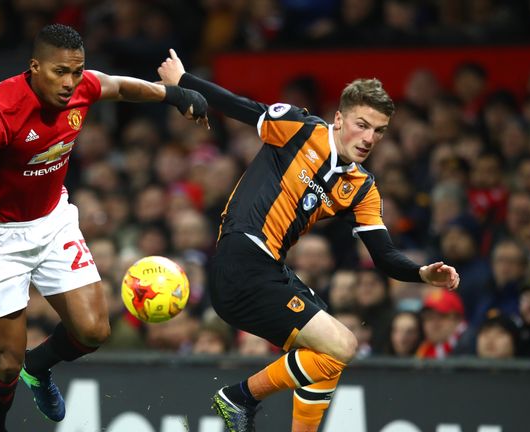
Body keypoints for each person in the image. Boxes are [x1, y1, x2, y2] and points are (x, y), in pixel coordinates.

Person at [158, 49, 460, 432]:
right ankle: (238, 397)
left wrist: (421, 273)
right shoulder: (299, 128)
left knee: (328, 355)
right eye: (361, 124)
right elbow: (238, 106)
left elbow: (383, 255)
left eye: (378, 131)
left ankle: (255, 407)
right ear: (338, 118)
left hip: (268, 270)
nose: (368, 138)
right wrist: (183, 83)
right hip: (240, 258)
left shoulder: (362, 188)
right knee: (343, 345)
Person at [0, 25, 208, 432]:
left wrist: (171, 94)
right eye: (59, 73)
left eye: (76, 71)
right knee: (5, 362)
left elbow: (119, 86)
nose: (70, 83)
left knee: (92, 331)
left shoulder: (82, 86)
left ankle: (40, 366)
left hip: (53, 221)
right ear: (35, 67)